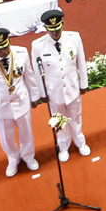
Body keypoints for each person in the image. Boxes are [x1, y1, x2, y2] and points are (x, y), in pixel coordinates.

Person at [0, 28, 41, 177]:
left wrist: (34, 96)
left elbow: (29, 76)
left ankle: (29, 156)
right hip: (0, 106)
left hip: (21, 100)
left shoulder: (21, 53)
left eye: (6, 47)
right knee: (6, 136)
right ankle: (13, 158)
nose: (4, 51)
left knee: (26, 132)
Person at [31, 9, 91, 161]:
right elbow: (37, 71)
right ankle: (63, 145)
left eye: (58, 28)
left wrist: (83, 83)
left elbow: (81, 62)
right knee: (58, 120)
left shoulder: (74, 38)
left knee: (76, 116)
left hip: (72, 86)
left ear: (62, 24)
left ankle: (79, 141)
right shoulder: (38, 46)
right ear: (46, 28)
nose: (55, 33)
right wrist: (42, 94)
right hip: (53, 91)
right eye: (52, 30)